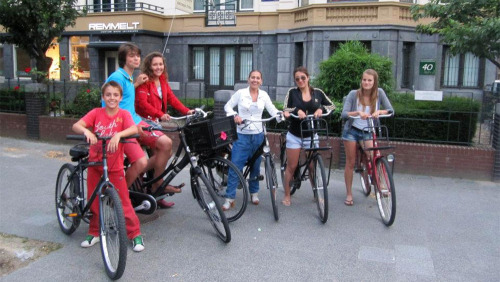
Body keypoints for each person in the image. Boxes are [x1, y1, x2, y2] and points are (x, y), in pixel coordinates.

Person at [105, 43, 181, 210]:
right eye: (132, 56)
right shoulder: (117, 77)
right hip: (126, 125)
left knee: (165, 145)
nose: (136, 58)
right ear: (124, 58)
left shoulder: (130, 77)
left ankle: (154, 185)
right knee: (160, 148)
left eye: (137, 55)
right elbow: (109, 102)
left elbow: (129, 103)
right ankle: (121, 195)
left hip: (136, 121)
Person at [72, 81, 144, 252]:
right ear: (103, 97)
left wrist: (118, 134)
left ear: (120, 97)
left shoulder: (124, 114)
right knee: (94, 201)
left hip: (115, 165)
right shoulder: (97, 113)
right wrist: (86, 131)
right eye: (108, 95)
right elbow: (77, 125)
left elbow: (134, 128)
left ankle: (135, 234)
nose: (112, 98)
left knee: (123, 201)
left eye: (115, 95)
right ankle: (94, 232)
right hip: (95, 163)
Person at [135, 51, 194, 208]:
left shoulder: (162, 80)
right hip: (143, 123)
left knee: (160, 158)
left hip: (155, 123)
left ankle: (156, 195)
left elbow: (172, 99)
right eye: (155, 64)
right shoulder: (144, 81)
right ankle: (145, 178)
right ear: (149, 65)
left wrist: (186, 111)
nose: (158, 67)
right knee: (165, 149)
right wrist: (160, 114)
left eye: (161, 64)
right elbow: (142, 104)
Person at [223, 70, 280, 210]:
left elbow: (272, 110)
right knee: (235, 166)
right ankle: (229, 197)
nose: (255, 80)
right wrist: (235, 115)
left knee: (255, 166)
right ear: (248, 79)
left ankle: (254, 193)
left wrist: (281, 115)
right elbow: (227, 106)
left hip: (258, 135)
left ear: (261, 81)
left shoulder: (264, 95)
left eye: (258, 78)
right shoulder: (241, 93)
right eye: (252, 77)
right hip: (242, 135)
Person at [282, 66, 335, 207]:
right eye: (297, 79)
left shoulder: (318, 93)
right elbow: (286, 109)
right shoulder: (292, 93)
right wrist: (295, 111)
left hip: (311, 135)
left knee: (312, 166)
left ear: (308, 78)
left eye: (303, 78)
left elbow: (332, 106)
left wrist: (320, 108)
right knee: (291, 166)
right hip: (295, 134)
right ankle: (287, 195)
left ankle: (316, 194)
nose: (300, 80)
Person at [341, 69, 394, 206]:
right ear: (361, 80)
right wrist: (358, 112)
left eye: (369, 80)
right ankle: (349, 193)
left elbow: (390, 110)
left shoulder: (379, 93)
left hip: (367, 131)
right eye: (364, 79)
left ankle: (380, 184)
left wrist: (379, 111)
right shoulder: (354, 94)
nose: (366, 82)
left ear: (374, 82)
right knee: (350, 162)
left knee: (374, 156)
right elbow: (344, 114)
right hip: (352, 131)